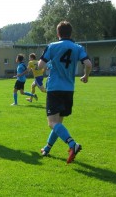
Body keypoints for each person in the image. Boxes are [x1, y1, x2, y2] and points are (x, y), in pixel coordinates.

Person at [38, 21, 92, 164]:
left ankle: (72, 144)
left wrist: (47, 64)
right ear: (70, 33)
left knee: (52, 123)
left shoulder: (52, 46)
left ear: (58, 34)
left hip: (55, 88)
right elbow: (88, 64)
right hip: (69, 89)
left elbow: (40, 65)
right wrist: (86, 76)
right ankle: (47, 148)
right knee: (58, 122)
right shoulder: (78, 47)